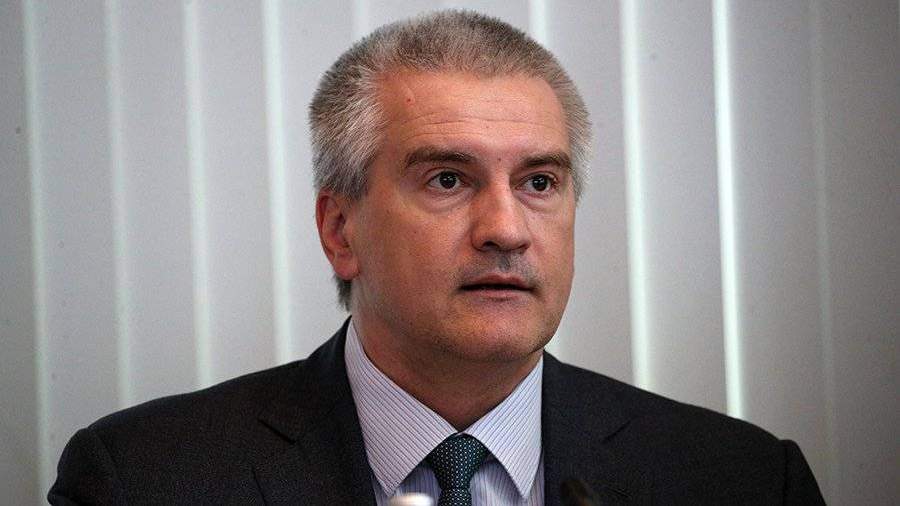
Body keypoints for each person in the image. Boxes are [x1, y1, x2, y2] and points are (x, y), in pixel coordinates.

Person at [49, 10, 824, 505]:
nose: (506, 229)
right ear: (340, 230)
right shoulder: (143, 479)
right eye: (448, 179)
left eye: (540, 182)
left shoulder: (744, 481)